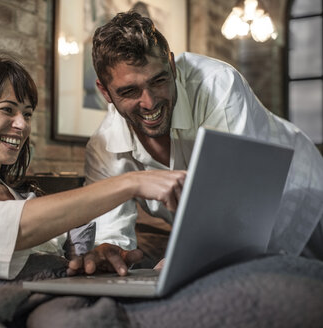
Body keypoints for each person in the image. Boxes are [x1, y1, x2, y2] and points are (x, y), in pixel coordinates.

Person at [0, 52, 185, 291]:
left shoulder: (22, 196)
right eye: (8, 110)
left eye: (27, 113)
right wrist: (129, 183)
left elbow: (59, 262)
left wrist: (95, 259)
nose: (22, 125)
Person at [85, 11, 323, 261]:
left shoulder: (218, 85)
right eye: (130, 91)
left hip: (304, 191)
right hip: (243, 236)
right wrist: (109, 251)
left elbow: (234, 200)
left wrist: (189, 257)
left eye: (159, 81)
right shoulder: (103, 149)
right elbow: (111, 236)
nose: (150, 102)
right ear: (105, 91)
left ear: (172, 66)